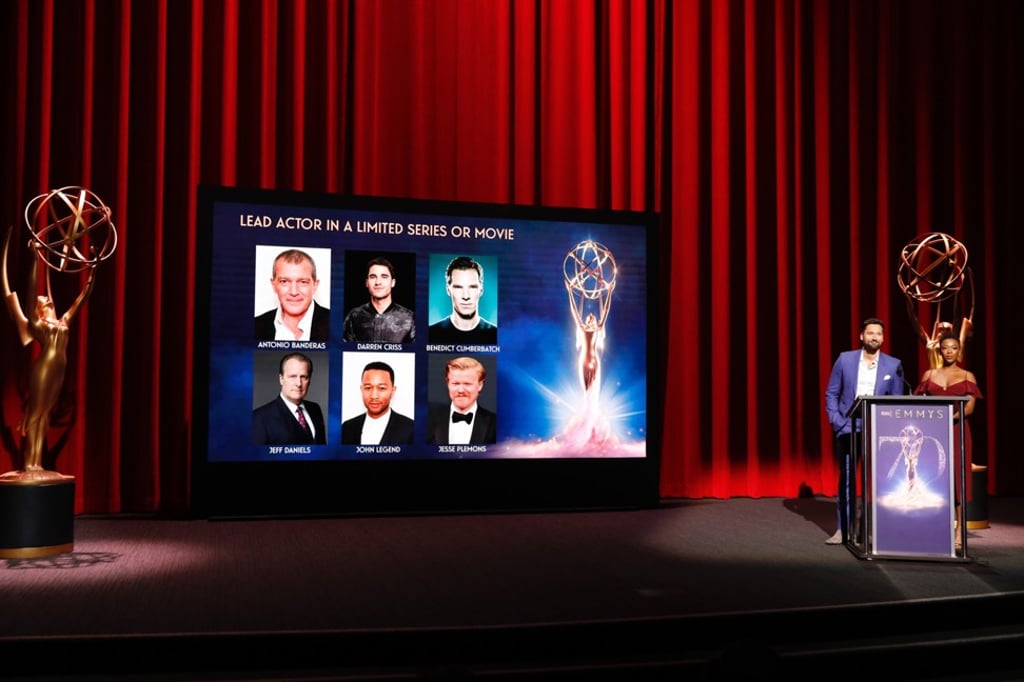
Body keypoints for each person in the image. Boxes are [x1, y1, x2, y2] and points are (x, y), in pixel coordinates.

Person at [2, 229, 95, 480]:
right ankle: (29, 463)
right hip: (43, 369)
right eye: (44, 301)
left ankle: (37, 462)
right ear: (40, 311)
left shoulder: (64, 320)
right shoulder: (40, 326)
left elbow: (83, 298)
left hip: (58, 371)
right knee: (35, 412)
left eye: (47, 299)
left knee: (45, 415)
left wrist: (93, 269)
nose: (47, 300)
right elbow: (32, 292)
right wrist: (34, 258)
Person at [824, 317, 905, 545]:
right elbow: (831, 393)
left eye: (879, 334)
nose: (874, 337)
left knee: (879, 482)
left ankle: (871, 530)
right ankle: (843, 530)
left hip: (878, 433)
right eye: (870, 333)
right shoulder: (845, 359)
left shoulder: (893, 364)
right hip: (848, 429)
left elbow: (896, 402)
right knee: (847, 479)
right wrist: (837, 421)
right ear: (862, 336)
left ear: (883, 338)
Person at [913, 333, 983, 506]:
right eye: (945, 348)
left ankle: (959, 528)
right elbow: (918, 405)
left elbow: (969, 408)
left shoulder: (967, 376)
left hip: (957, 430)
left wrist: (948, 419)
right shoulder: (929, 375)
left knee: (958, 475)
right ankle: (936, 522)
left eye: (953, 348)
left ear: (959, 351)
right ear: (940, 351)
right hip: (932, 433)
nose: (949, 352)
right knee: (932, 472)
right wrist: (933, 421)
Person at [254, 248, 330, 341]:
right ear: (274, 285)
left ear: (315, 285)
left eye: (303, 282)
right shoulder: (255, 326)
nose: (294, 292)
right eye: (284, 281)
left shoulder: (336, 324)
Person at [252, 352, 327, 445]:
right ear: (281, 379)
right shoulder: (259, 417)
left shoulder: (315, 409)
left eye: (304, 377)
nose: (299, 383)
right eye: (292, 376)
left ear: (309, 380)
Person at [342, 257, 415, 343]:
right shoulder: (353, 316)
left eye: (384, 277)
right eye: (373, 277)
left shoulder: (410, 318)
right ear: (367, 283)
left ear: (393, 282)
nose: (378, 282)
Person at [427, 356, 497, 445]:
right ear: (448, 383)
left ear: (480, 385)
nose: (461, 390)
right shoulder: (427, 420)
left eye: (467, 384)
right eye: (455, 383)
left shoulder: (496, 424)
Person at [341, 361, 414, 445]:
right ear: (361, 389)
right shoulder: (347, 427)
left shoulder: (411, 429)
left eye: (382, 388)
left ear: (393, 390)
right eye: (368, 388)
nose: (374, 396)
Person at [428, 256, 497, 344]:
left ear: (481, 290)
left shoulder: (496, 335)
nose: (466, 296)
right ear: (448, 290)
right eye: (458, 287)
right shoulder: (431, 334)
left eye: (472, 287)